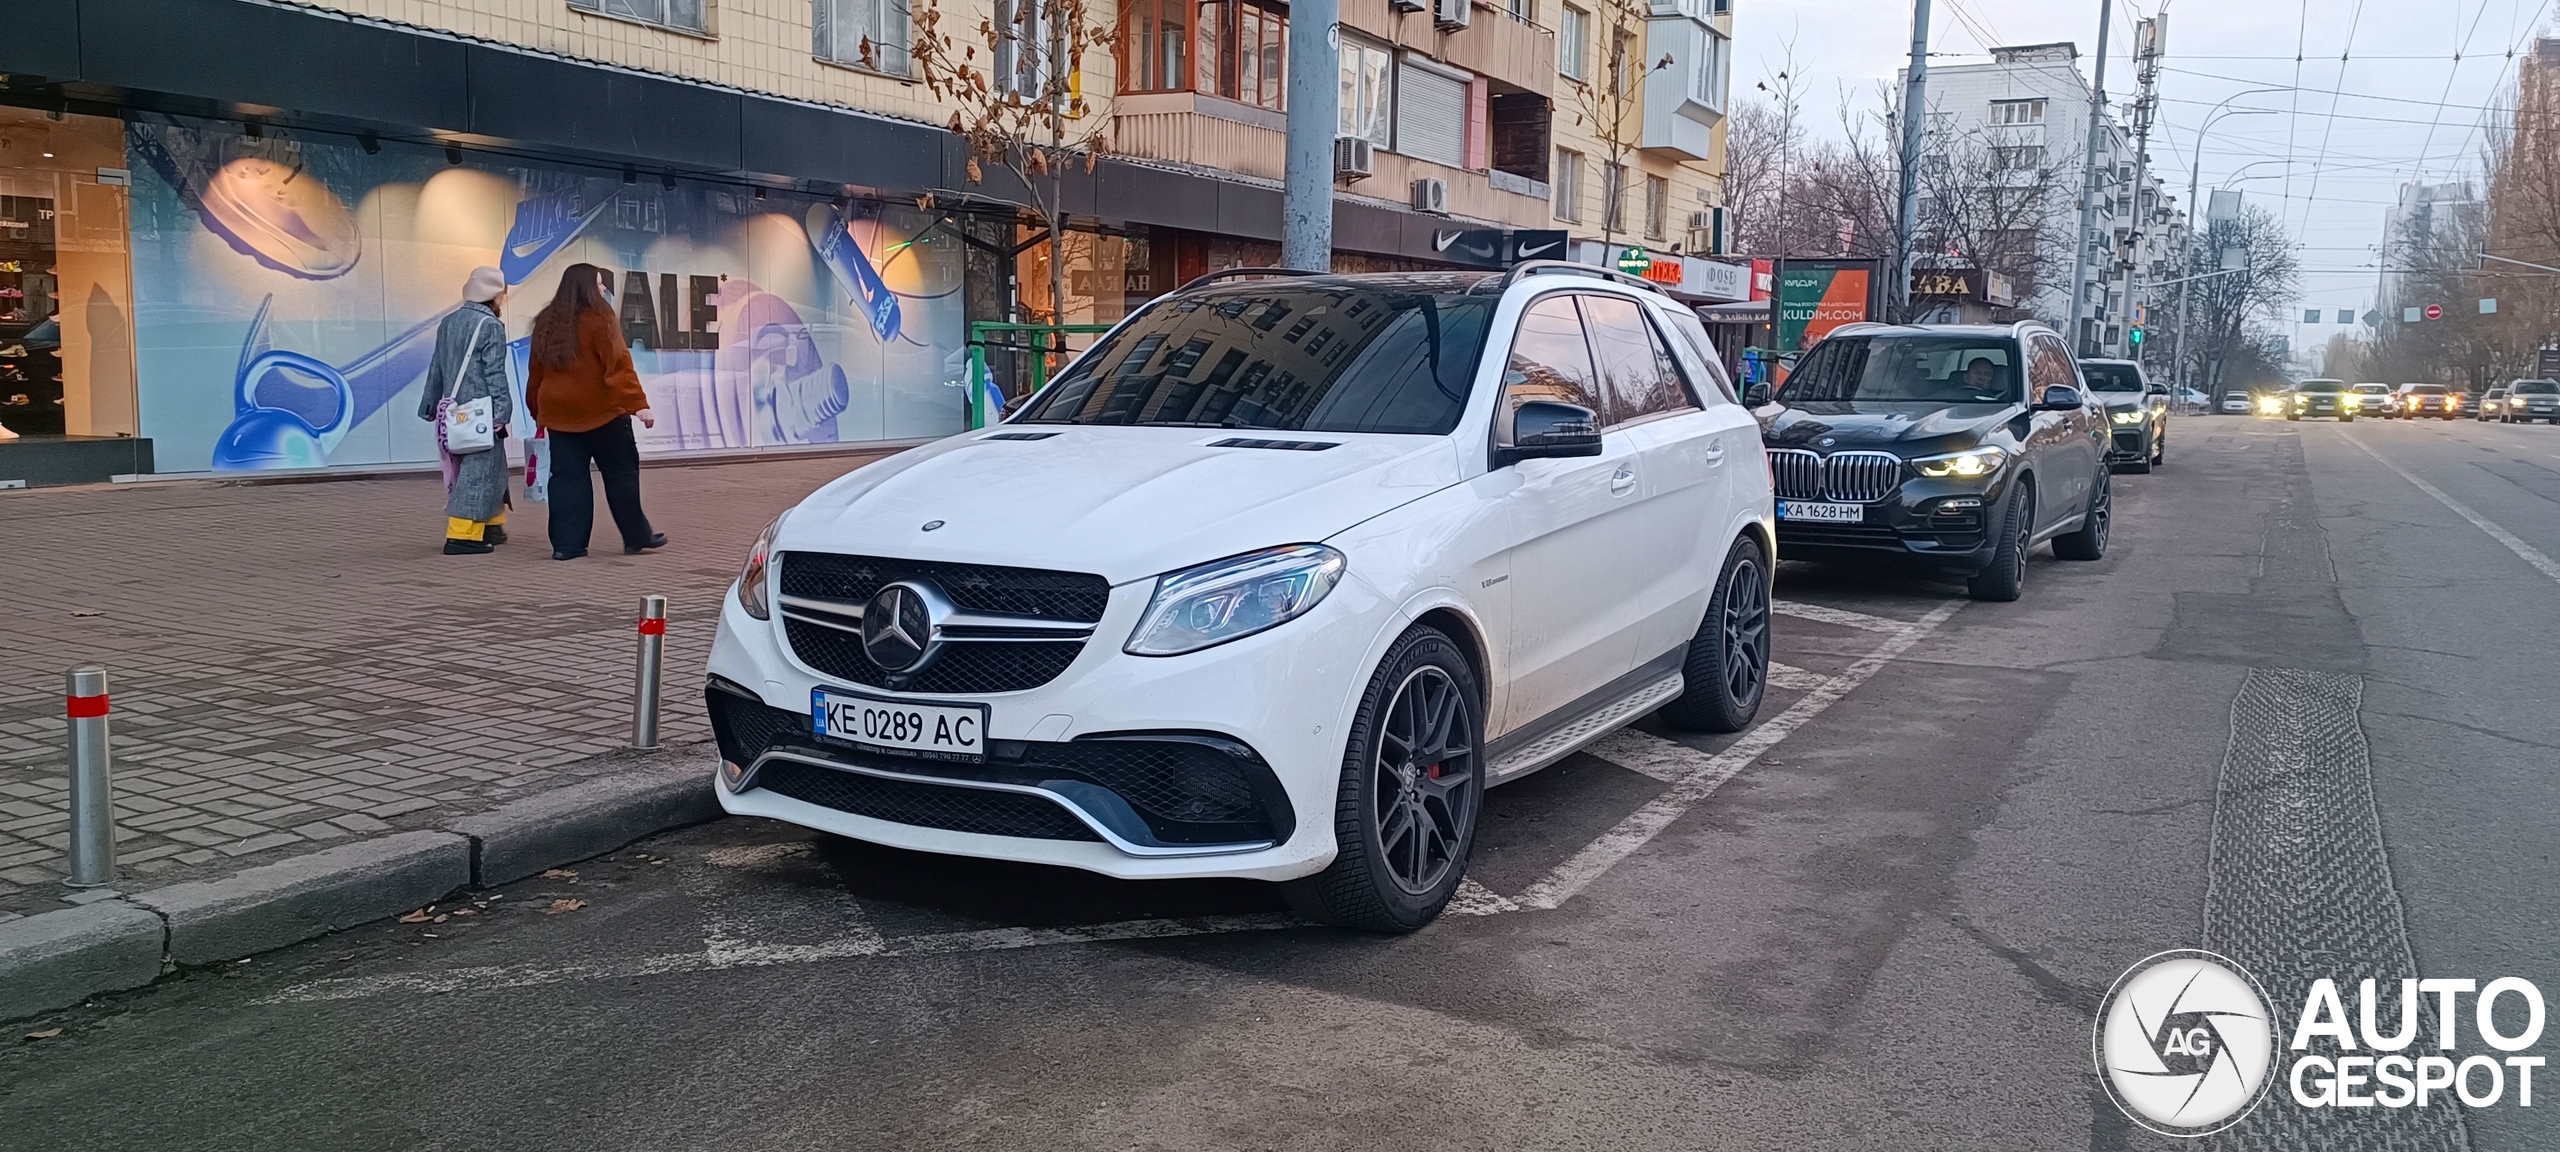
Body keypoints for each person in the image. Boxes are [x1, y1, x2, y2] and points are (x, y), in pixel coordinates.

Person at [526, 262, 665, 561]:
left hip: (560, 414)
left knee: (566, 479)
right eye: (600, 283)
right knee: (621, 475)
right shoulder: (600, 317)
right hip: (603, 412)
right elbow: (617, 364)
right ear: (587, 287)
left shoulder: (546, 321)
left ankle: (567, 546)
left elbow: (536, 371)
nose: (603, 289)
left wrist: (537, 409)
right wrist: (638, 404)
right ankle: (636, 537)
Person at [417, 266, 514, 555]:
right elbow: (496, 373)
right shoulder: (491, 326)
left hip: (453, 409)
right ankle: (462, 535)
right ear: (495, 297)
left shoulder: (448, 322)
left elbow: (437, 366)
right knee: (479, 470)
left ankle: (491, 524)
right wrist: (502, 412)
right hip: (481, 410)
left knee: (492, 468)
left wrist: (429, 404)